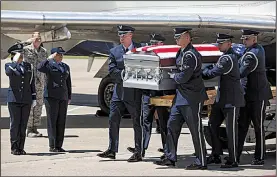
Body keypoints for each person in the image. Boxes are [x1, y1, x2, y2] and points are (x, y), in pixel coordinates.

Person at [155, 27, 208, 170]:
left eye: (178, 37)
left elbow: (183, 77)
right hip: (181, 97)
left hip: (192, 98)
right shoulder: (181, 52)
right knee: (172, 125)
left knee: (195, 130)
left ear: (187, 37)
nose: (176, 40)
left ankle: (201, 161)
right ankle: (170, 157)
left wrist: (173, 76)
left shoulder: (190, 55)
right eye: (176, 37)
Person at [97, 25, 143, 162]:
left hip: (134, 92)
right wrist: (126, 74)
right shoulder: (114, 51)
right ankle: (112, 149)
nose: (121, 37)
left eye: (124, 35)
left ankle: (138, 151)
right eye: (120, 35)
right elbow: (112, 70)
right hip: (118, 91)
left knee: (137, 121)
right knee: (113, 119)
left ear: (131, 35)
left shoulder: (139, 49)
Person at [202, 33, 245, 168]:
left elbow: (212, 74)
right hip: (222, 99)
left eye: (221, 43)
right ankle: (215, 154)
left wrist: (204, 70)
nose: (219, 45)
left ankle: (233, 160)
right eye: (218, 43)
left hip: (231, 100)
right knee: (212, 124)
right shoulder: (225, 57)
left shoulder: (228, 58)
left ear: (229, 43)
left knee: (231, 131)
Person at [126, 33, 172, 159]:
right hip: (147, 93)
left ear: (161, 44)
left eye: (155, 43)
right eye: (151, 43)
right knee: (145, 122)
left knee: (164, 124)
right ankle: (140, 149)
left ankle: (167, 150)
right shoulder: (146, 56)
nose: (152, 46)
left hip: (161, 95)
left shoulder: (165, 57)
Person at [237, 29, 273, 165]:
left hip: (258, 95)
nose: (243, 41)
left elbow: (241, 72)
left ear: (254, 39)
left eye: (246, 39)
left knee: (258, 127)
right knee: (242, 125)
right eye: (243, 39)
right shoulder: (253, 50)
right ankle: (236, 154)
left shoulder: (253, 54)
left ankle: (260, 157)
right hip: (248, 94)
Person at [37, 47, 72, 152]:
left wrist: (69, 96)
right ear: (53, 55)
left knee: (61, 121)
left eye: (62, 54)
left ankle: (59, 145)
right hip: (51, 96)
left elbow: (68, 82)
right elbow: (39, 67)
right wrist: (48, 58)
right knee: (52, 121)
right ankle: (52, 145)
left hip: (63, 96)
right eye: (58, 54)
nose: (61, 56)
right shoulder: (48, 65)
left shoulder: (65, 66)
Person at [5, 43, 37, 155]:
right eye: (19, 54)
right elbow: (9, 73)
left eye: (22, 54)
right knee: (15, 124)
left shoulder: (28, 66)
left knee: (23, 124)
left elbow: (31, 82)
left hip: (26, 99)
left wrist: (34, 97)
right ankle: (14, 148)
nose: (22, 56)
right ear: (13, 55)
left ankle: (21, 147)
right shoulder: (9, 65)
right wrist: (15, 62)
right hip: (14, 99)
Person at [23, 32, 48, 137]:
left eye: (39, 38)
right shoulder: (26, 49)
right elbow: (14, 49)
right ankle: (29, 129)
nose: (38, 40)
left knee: (38, 105)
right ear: (32, 38)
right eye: (36, 38)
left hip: (40, 82)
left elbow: (46, 67)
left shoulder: (44, 51)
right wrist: (26, 42)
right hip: (30, 81)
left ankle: (35, 128)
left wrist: (46, 81)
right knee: (30, 105)